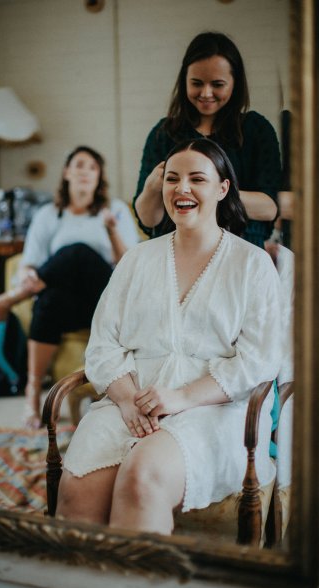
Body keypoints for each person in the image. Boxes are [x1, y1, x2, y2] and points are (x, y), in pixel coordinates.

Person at [56, 138, 283, 535]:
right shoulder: (136, 260)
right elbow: (103, 344)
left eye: (197, 178)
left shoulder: (252, 264)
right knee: (76, 492)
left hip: (214, 408)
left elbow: (258, 360)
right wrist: (127, 401)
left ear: (222, 188)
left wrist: (180, 397)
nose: (182, 189)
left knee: (142, 477)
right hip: (132, 401)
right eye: (172, 179)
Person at [0, 146, 140, 428]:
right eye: (79, 165)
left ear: (99, 175)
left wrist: (112, 230)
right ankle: (32, 394)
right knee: (48, 299)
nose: (85, 172)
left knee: (77, 251)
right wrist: (28, 273)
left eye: (92, 166)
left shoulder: (115, 210)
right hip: (68, 304)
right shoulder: (49, 215)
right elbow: (30, 263)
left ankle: (3, 303)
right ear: (67, 172)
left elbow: (130, 266)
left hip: (105, 299)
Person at [133, 31, 281, 249]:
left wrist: (207, 191)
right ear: (184, 81)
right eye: (197, 83)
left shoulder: (256, 130)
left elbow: (269, 207)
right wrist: (153, 187)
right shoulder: (163, 133)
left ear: (235, 83)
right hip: (174, 254)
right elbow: (148, 219)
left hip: (240, 249)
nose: (206, 93)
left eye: (217, 84)